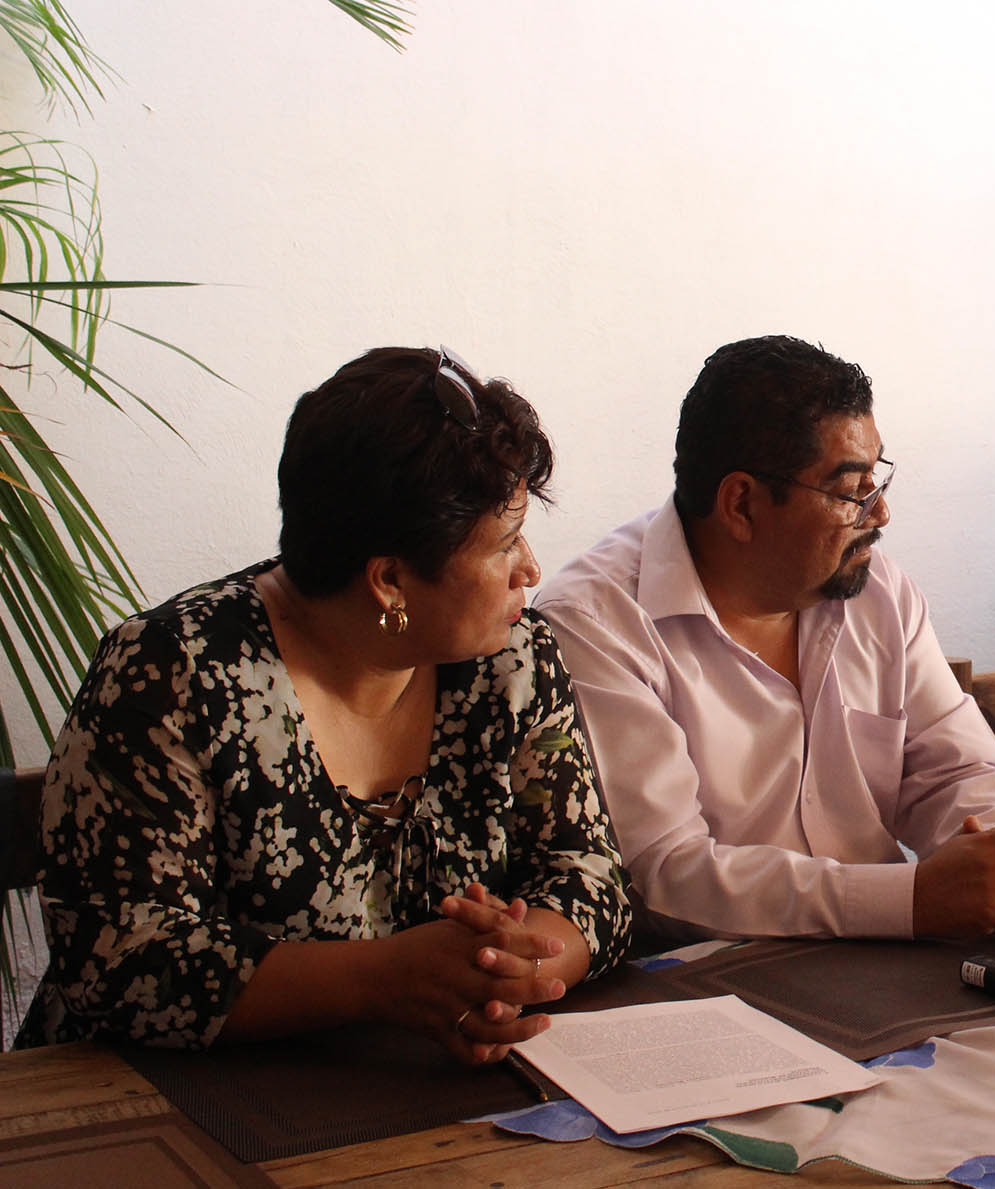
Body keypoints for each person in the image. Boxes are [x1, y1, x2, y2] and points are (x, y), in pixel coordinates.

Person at [25, 348, 632, 1059]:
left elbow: (589, 871)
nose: (530, 568)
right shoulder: (174, 673)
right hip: (168, 1110)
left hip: (419, 1097)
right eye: (504, 544)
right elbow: (122, 960)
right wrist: (383, 979)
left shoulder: (513, 659)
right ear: (390, 580)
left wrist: (518, 966)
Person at [537, 336, 995, 941]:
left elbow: (954, 771)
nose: (881, 514)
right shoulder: (596, 622)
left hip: (884, 963)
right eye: (851, 490)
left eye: (879, 479)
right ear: (741, 504)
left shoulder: (877, 593)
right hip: (701, 986)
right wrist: (908, 899)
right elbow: (661, 871)